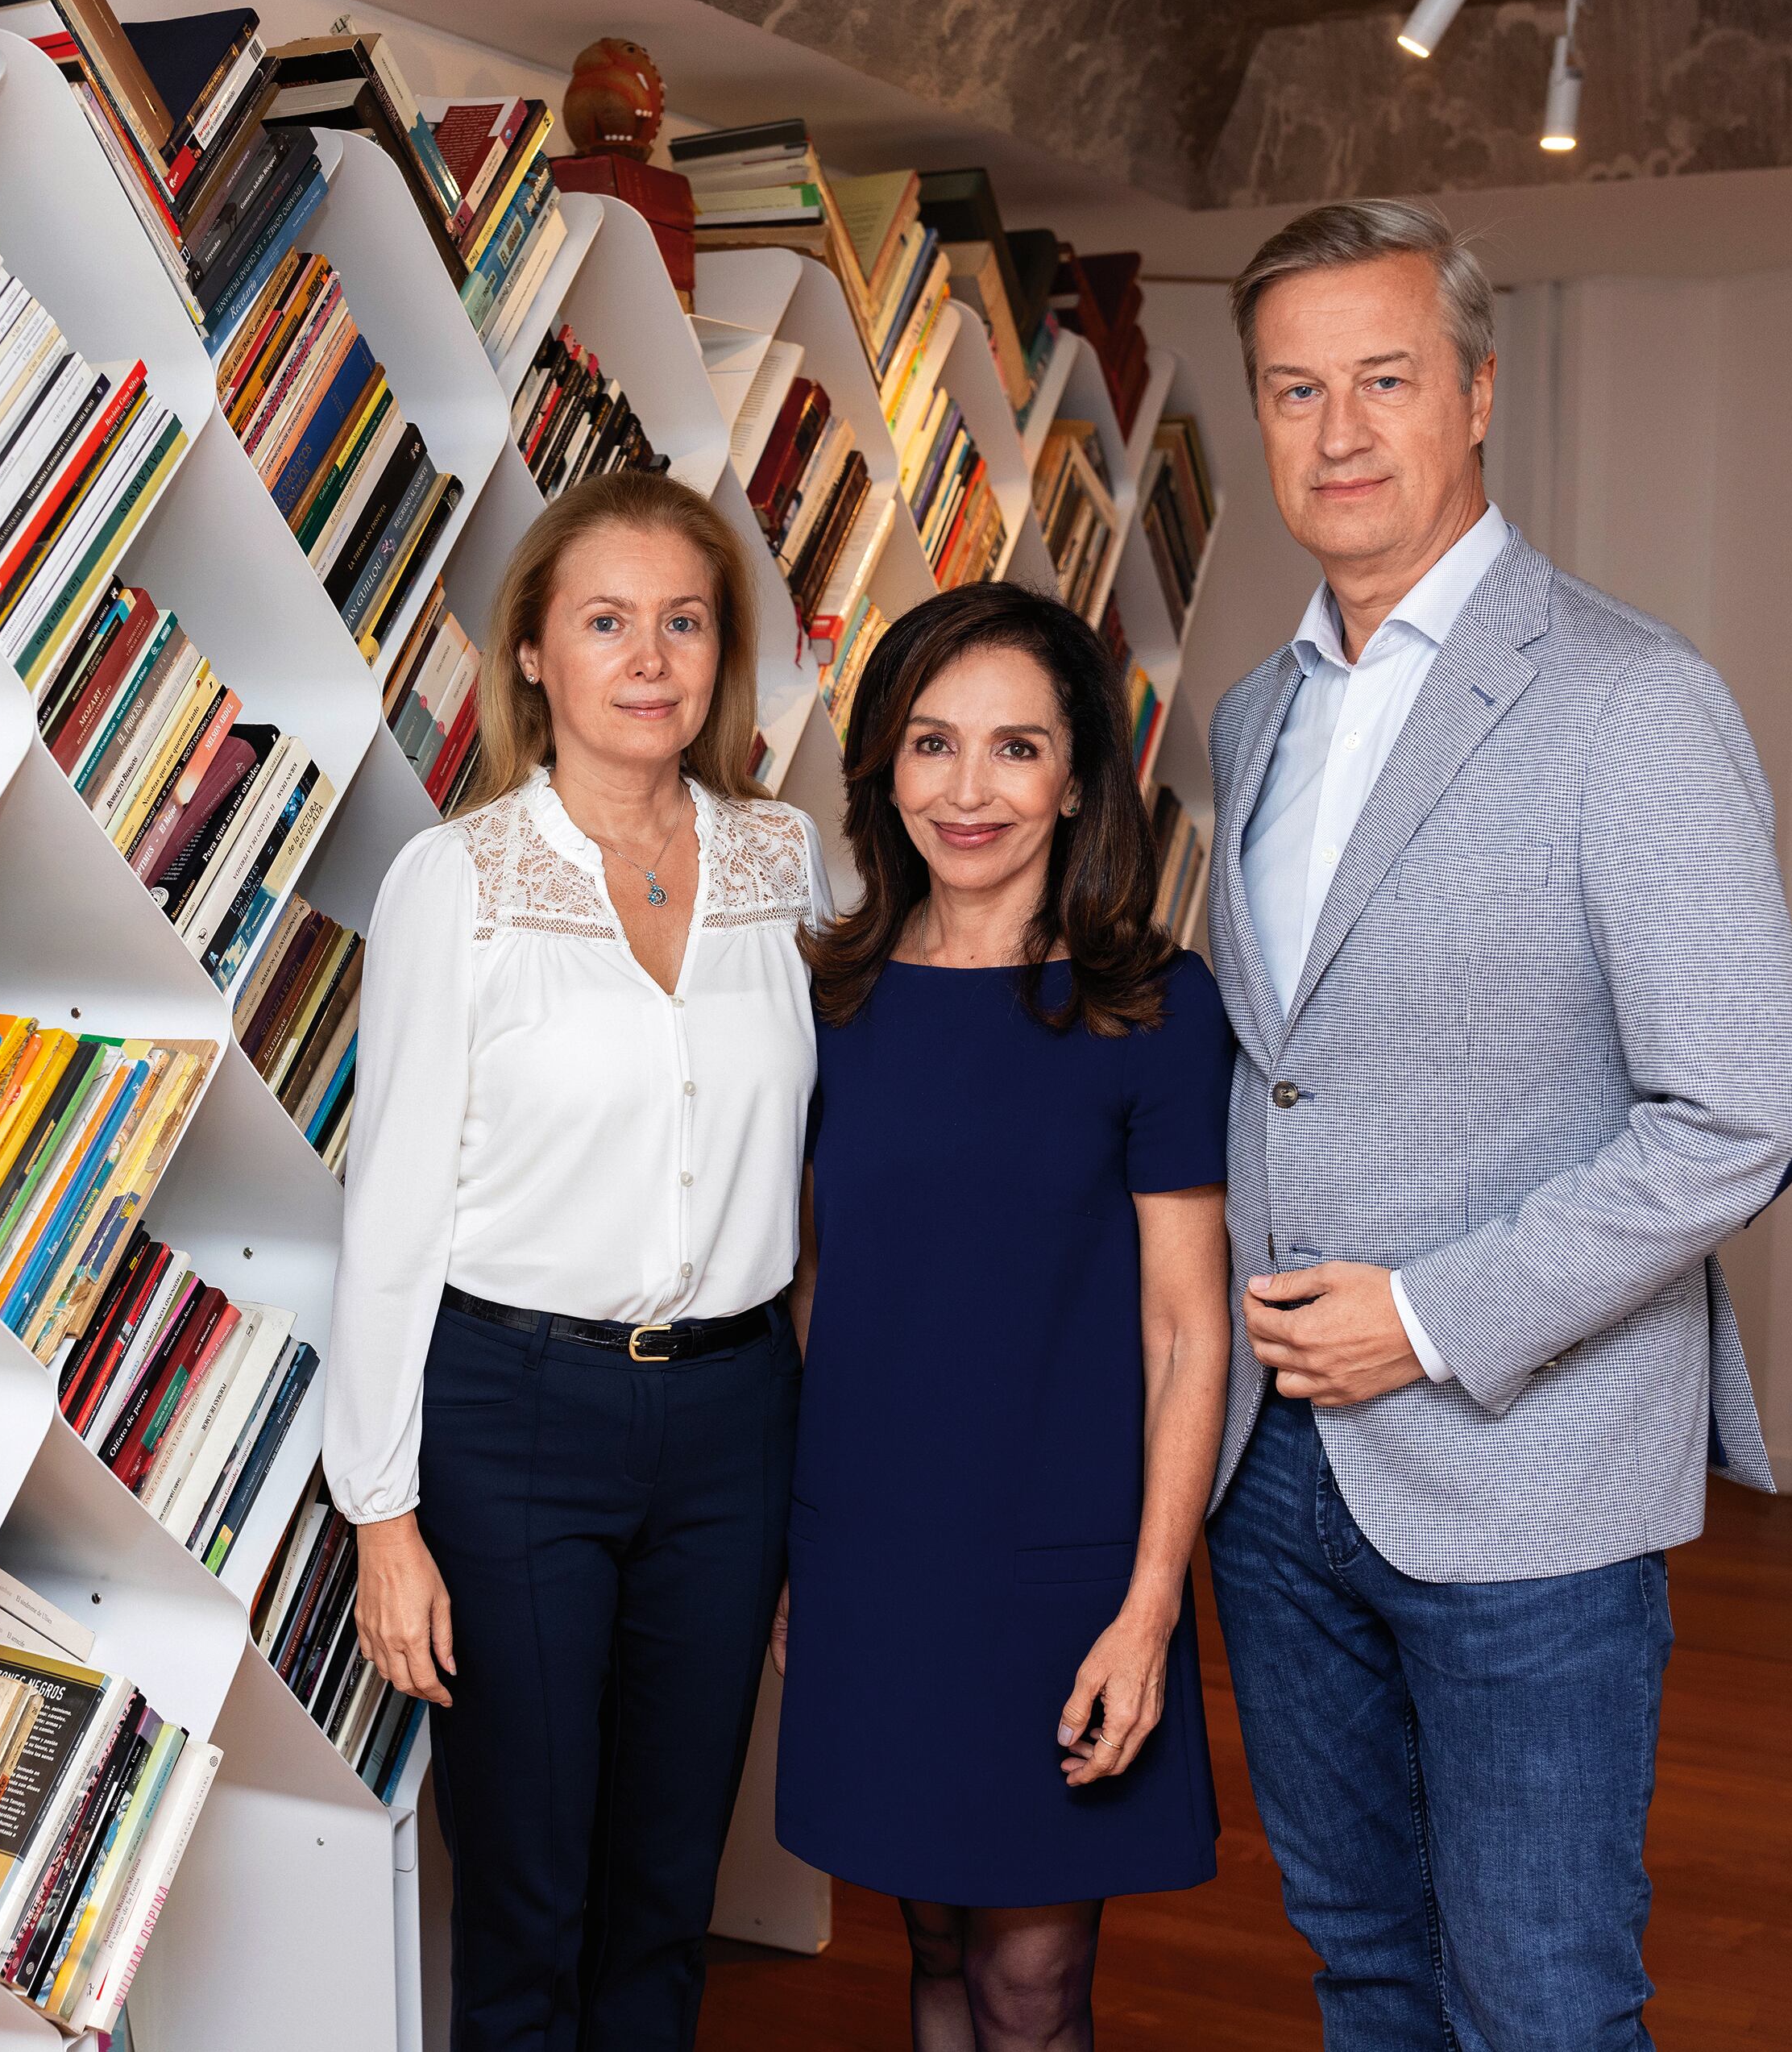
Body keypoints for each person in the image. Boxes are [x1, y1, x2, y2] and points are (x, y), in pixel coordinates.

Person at [1200, 198, 1792, 2049]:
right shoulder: (1249, 718)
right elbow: (1281, 1060)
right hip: (1273, 1469)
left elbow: (1737, 1113)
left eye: (1382, 379)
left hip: (1525, 1468)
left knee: (1539, 2002)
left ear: (1474, 394)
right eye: (1293, 390)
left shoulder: (1630, 700)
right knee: (1364, 1968)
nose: (1337, 433)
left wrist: (1435, 1316)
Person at [324, 469, 828, 2052]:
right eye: (605, 621)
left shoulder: (786, 865)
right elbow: (391, 1207)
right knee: (532, 1888)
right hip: (514, 1421)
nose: (650, 658)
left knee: (667, 1881)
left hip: (736, 1418)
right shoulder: (458, 881)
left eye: (682, 622)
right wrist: (383, 1517)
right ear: (534, 654)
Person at [776, 581, 1236, 2052]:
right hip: (874, 1552)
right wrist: (798, 1556)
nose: (970, 791)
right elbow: (815, 1288)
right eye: (932, 744)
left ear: (1080, 778)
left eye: (1017, 748)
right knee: (925, 1943)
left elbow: (1187, 1329)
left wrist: (1152, 1606)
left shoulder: (1153, 1004)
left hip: (1064, 1570)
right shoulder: (831, 995)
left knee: (1031, 1986)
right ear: (883, 772)